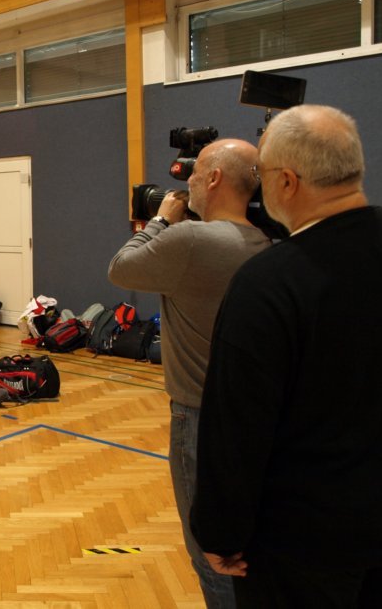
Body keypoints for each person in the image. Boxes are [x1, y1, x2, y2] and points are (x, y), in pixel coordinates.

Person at [191, 105, 382, 607]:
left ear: (287, 182)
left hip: (304, 542)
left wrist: (220, 532)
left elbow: (237, 425)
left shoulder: (269, 283)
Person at [108, 139, 270, 608]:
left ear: (214, 178)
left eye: (194, 173)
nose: (187, 183)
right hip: (255, 415)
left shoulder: (190, 240)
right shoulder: (264, 242)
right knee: (243, 547)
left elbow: (120, 268)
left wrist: (160, 220)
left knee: (210, 553)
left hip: (198, 416)